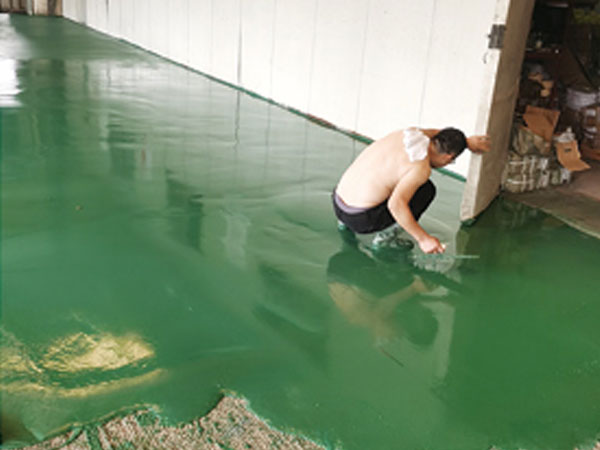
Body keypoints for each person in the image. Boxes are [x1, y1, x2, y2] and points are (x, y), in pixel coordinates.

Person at [332, 127, 490, 254]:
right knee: (426, 190)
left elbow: (438, 133)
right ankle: (384, 240)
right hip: (359, 220)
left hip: (338, 203)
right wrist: (423, 239)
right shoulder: (420, 168)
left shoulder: (410, 133)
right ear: (448, 157)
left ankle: (343, 224)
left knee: (388, 178)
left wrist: (466, 142)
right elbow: (396, 205)